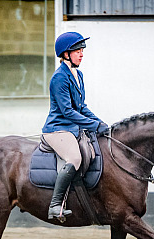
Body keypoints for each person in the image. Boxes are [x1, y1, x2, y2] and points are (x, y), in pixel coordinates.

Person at [42, 32, 109, 221]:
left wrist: (101, 123)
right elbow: (67, 112)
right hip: (58, 128)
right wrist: (94, 126)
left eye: (82, 51)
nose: (81, 54)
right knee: (74, 157)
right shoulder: (59, 78)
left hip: (73, 128)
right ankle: (55, 205)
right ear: (65, 54)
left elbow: (81, 107)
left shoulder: (78, 74)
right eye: (77, 51)